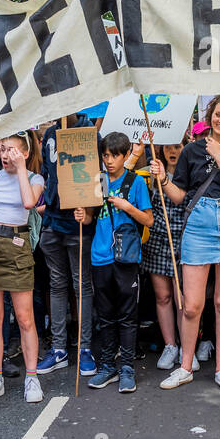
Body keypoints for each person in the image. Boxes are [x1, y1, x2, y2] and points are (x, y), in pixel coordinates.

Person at [151, 95, 220, 393]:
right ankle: (185, 366)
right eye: (217, 114)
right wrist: (163, 179)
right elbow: (180, 196)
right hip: (198, 222)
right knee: (192, 304)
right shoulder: (190, 150)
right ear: (210, 115)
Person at [0, 133, 45, 404]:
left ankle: (32, 377)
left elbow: (29, 203)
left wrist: (22, 168)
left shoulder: (35, 179)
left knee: (25, 319)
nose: (5, 154)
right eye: (2, 149)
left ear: (24, 153)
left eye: (12, 150)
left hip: (18, 245)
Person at [77, 132, 151, 394]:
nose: (109, 160)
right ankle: (107, 365)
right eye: (105, 155)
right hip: (100, 256)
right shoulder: (97, 180)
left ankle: (127, 368)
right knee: (105, 315)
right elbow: (89, 219)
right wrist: (82, 214)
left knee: (128, 315)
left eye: (115, 155)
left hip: (127, 256)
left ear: (125, 154)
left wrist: (127, 206)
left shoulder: (136, 182)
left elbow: (149, 220)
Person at [36, 115, 97, 378]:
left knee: (81, 284)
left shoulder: (88, 131)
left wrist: (91, 209)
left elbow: (97, 176)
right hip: (52, 220)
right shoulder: (50, 133)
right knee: (57, 285)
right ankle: (59, 348)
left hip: (77, 221)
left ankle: (84, 349)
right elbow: (46, 173)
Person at [143, 141, 185, 370]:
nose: (172, 151)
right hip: (158, 239)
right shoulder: (151, 172)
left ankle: (186, 346)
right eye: (168, 147)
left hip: (184, 238)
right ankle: (170, 345)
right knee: (163, 297)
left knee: (183, 299)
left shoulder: (189, 170)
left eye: (177, 146)